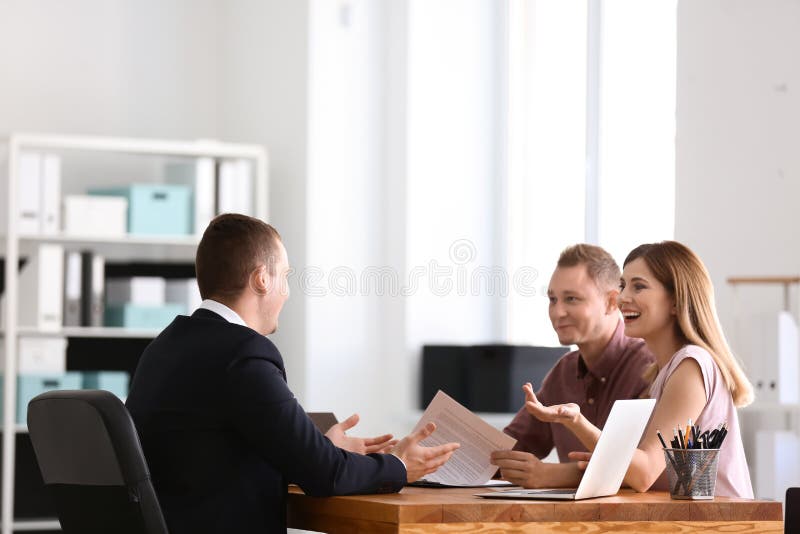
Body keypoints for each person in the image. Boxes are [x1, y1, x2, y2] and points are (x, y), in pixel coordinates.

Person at [126, 214, 459, 534]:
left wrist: (320, 448)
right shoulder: (243, 354)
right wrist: (400, 465)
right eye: (285, 276)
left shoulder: (165, 346)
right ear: (262, 279)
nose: (286, 291)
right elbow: (325, 474)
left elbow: (209, 459)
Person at [523, 241, 753, 498]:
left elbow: (644, 473)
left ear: (676, 301)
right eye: (623, 285)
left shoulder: (691, 366)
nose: (622, 298)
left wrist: (575, 421)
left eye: (639, 286)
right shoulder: (663, 372)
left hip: (721, 518)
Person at [492, 244, 655, 488]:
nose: (558, 312)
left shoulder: (649, 367)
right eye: (552, 299)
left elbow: (644, 474)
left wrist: (553, 475)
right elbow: (509, 449)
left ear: (612, 302)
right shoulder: (563, 372)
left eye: (571, 299)